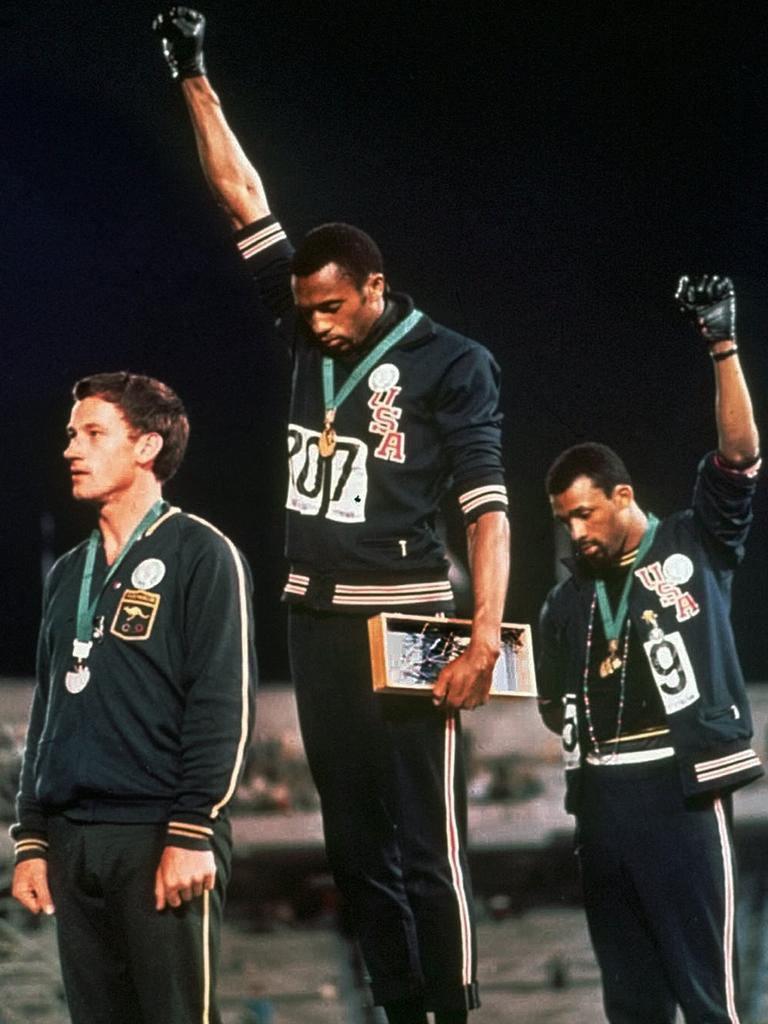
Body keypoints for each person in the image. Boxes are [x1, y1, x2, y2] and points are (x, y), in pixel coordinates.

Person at [152, 9, 510, 1023]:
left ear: (377, 289)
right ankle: (399, 1007)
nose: (311, 325)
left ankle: (455, 1006)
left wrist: (483, 635)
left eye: (331, 309)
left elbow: (487, 508)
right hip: (314, 617)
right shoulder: (308, 326)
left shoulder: (455, 363)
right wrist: (194, 73)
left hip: (408, 620)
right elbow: (242, 197)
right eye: (304, 309)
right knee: (353, 846)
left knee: (425, 841)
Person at [537, 274, 762, 1024]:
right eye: (565, 521)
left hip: (680, 790)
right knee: (630, 1007)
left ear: (623, 497)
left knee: (706, 999)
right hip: (598, 804)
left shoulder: (692, 543)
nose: (576, 534)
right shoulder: (564, 602)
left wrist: (722, 344)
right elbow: (544, 701)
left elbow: (738, 456)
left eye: (586, 514)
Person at [10, 372, 257, 1024]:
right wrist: (32, 836)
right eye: (70, 434)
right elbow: (48, 712)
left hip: (159, 837)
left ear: (146, 447)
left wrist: (191, 829)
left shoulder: (204, 554)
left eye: (93, 434)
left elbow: (221, 703)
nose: (71, 449)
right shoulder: (68, 573)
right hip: (71, 841)